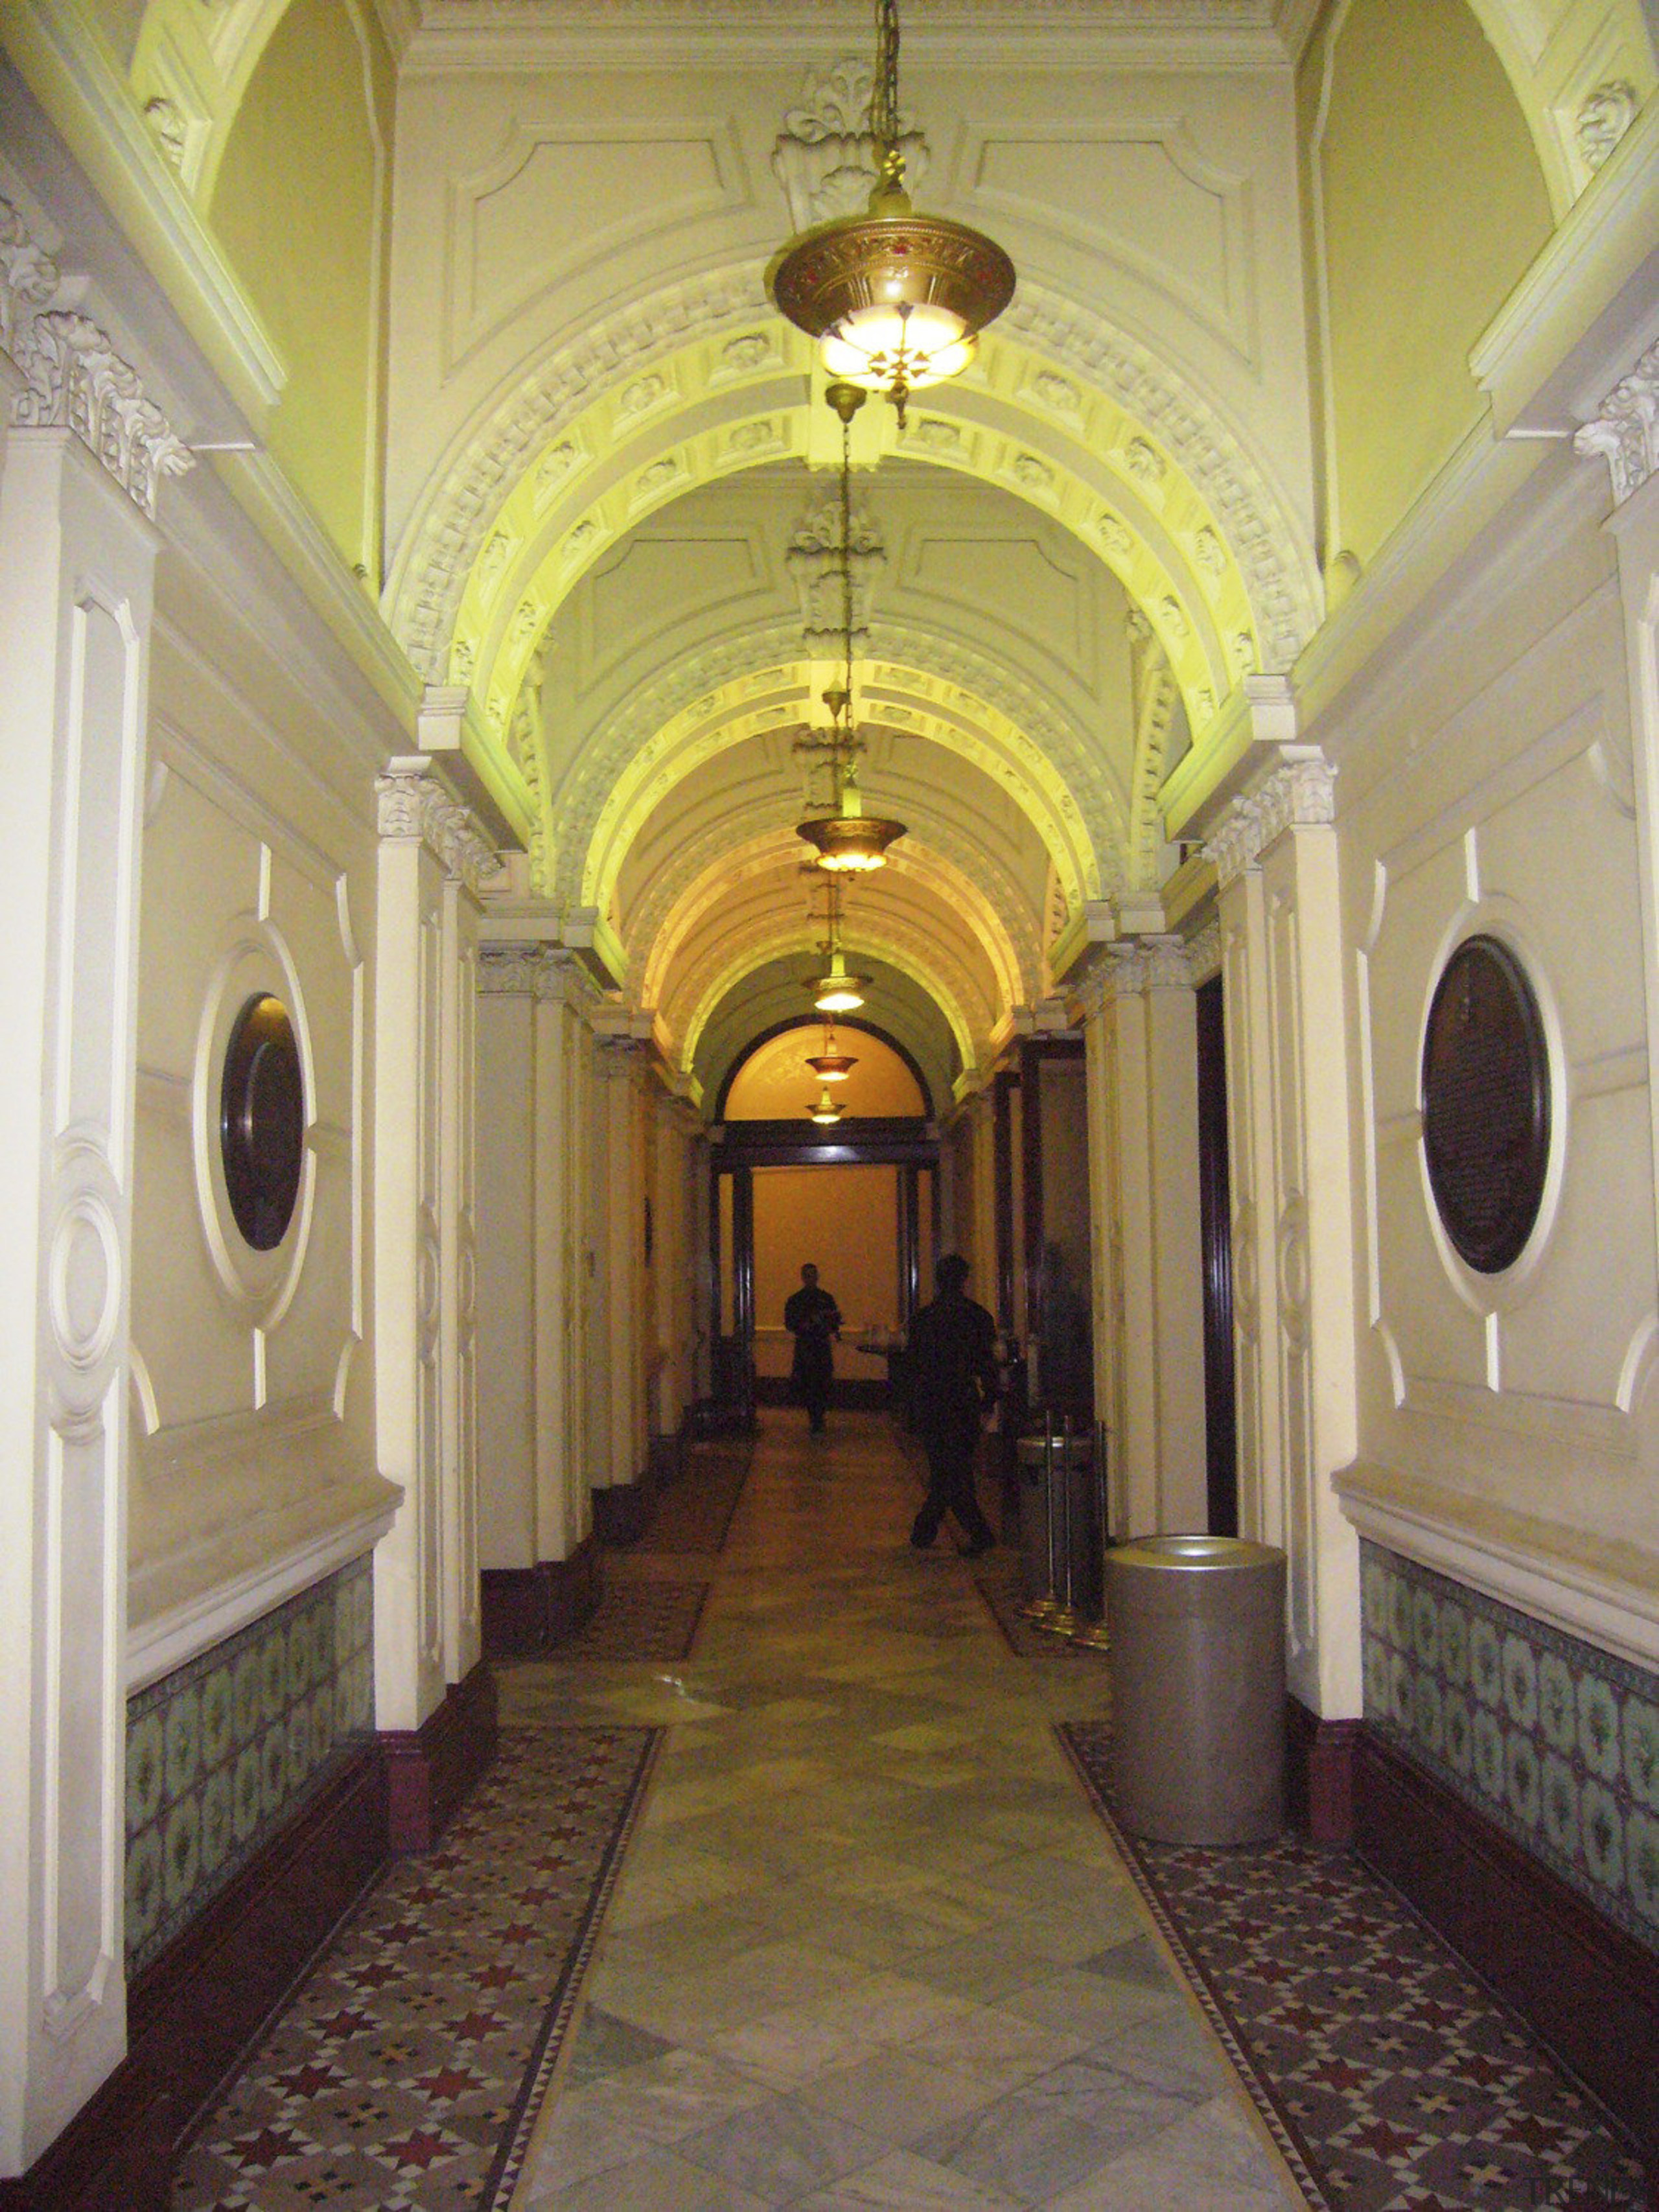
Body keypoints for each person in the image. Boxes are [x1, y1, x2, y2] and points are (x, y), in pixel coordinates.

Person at [906, 1253, 999, 1555]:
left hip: (932, 1398)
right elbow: (986, 1363)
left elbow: (913, 1364)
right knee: (956, 1468)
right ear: (964, 1280)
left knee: (945, 1468)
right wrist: (990, 1398)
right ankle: (963, 1531)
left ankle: (928, 1527)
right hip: (962, 1398)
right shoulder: (978, 1316)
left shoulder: (923, 1318)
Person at [784, 1262, 841, 1434]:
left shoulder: (826, 1298)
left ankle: (819, 1415)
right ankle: (814, 1416)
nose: (811, 1278)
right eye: (808, 1275)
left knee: (823, 1381)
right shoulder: (795, 1300)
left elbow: (834, 1323)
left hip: (821, 1345)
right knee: (807, 1382)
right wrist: (808, 1324)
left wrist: (829, 1322)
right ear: (803, 1277)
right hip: (806, 1346)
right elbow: (790, 1324)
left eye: (813, 1275)